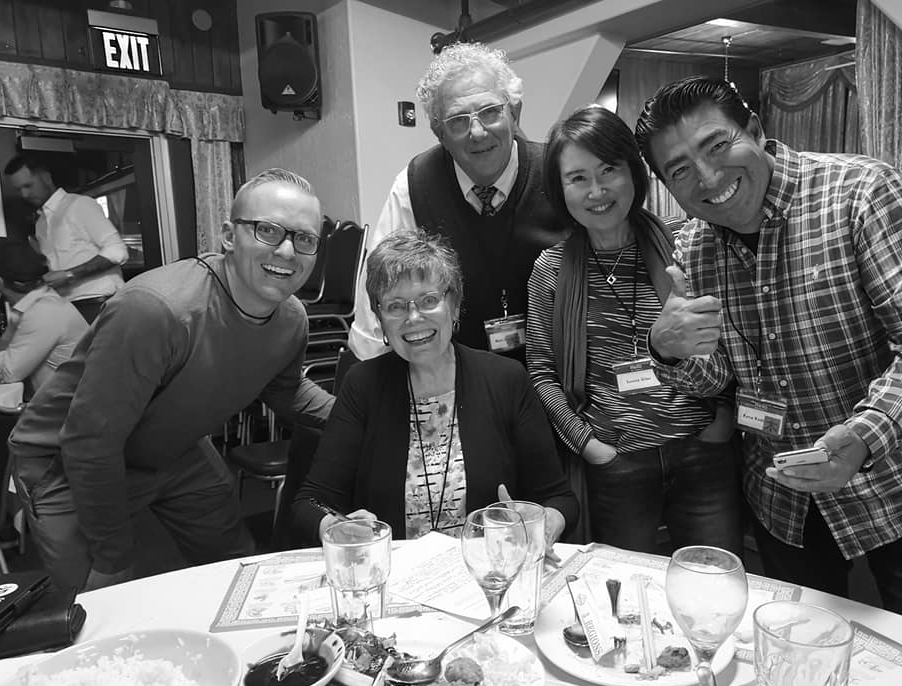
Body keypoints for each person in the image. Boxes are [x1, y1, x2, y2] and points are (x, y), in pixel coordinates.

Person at [635, 76, 902, 632]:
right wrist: (667, 352)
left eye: (717, 145)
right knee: (797, 656)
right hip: (785, 500)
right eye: (680, 169)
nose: (708, 177)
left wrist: (864, 434)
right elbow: (716, 378)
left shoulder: (865, 193)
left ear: (756, 129)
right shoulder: (694, 247)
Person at [9, 168, 335, 593]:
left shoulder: (291, 319)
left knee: (239, 572)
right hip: (68, 462)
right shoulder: (155, 311)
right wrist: (112, 556)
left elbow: (286, 390)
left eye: (305, 239)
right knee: (100, 601)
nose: (288, 251)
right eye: (268, 231)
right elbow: (89, 443)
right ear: (228, 236)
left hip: (171, 447)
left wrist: (368, 416)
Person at [526, 105, 740, 552]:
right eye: (578, 178)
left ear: (633, 172)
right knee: (621, 585)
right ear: (560, 189)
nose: (597, 190)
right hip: (617, 460)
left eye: (609, 169)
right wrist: (590, 446)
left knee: (713, 577)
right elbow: (542, 372)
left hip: (701, 450)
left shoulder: (685, 244)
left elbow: (730, 337)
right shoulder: (551, 269)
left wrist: (721, 421)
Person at [292, 228, 578, 549]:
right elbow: (310, 502)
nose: (413, 317)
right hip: (397, 574)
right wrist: (336, 526)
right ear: (380, 319)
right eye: (395, 306)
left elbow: (559, 499)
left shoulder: (506, 380)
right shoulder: (362, 386)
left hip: (486, 569)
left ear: (453, 306)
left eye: (429, 301)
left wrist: (544, 523)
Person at [348, 42, 568, 362]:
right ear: (439, 133)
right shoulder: (413, 186)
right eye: (458, 120)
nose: (477, 132)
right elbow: (379, 300)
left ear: (515, 112)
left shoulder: (560, 172)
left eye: (490, 112)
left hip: (557, 372)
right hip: (458, 376)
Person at [4, 153, 128, 323]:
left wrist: (70, 274)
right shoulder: (41, 224)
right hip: (67, 308)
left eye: (28, 185)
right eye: (19, 189)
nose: (24, 194)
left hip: (100, 302)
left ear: (46, 178)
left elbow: (118, 251)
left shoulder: (80, 205)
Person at [0, 241, 88, 397]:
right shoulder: (31, 305)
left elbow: (7, 374)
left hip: (71, 406)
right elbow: (5, 345)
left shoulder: (43, 311)